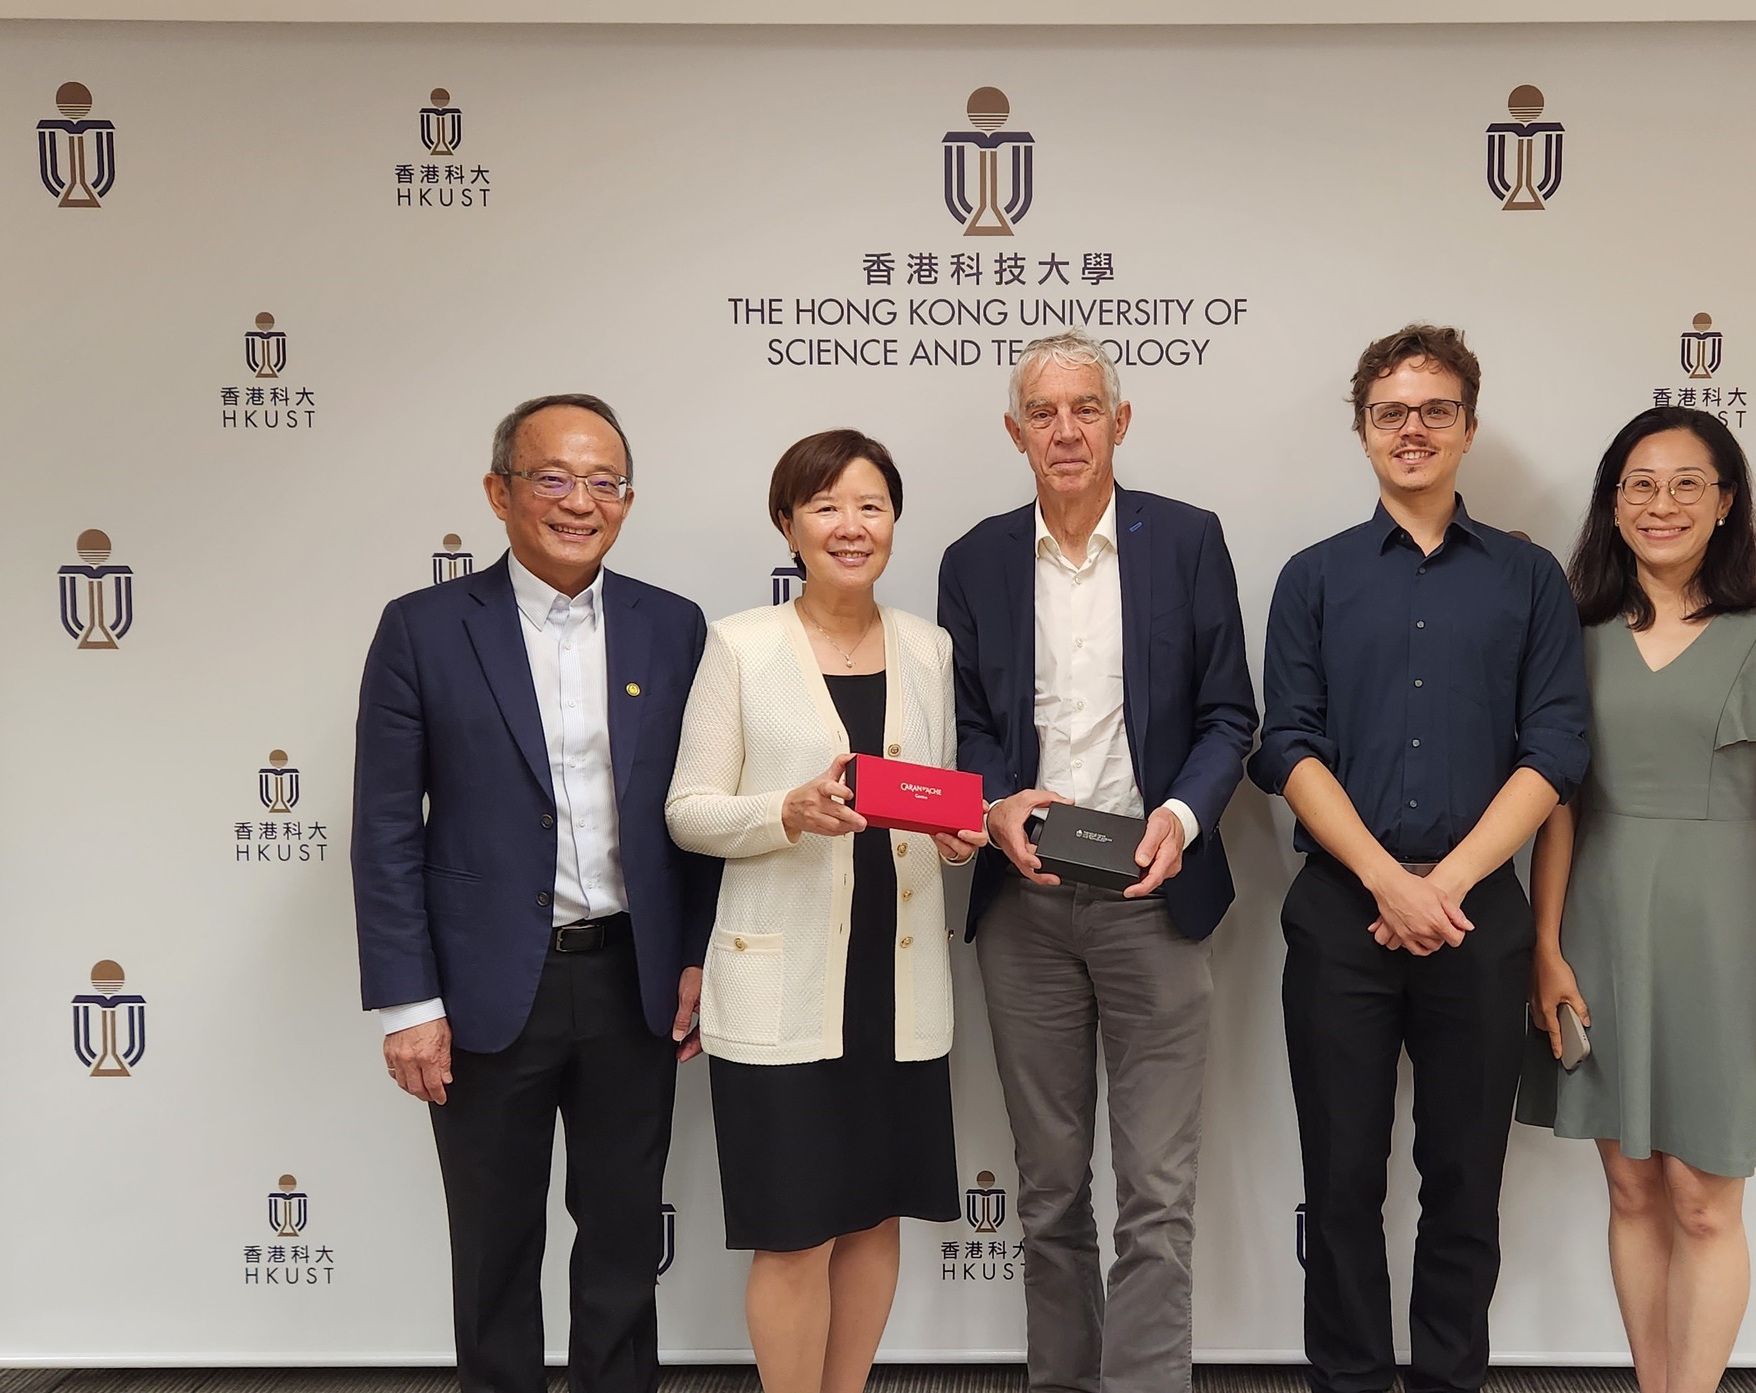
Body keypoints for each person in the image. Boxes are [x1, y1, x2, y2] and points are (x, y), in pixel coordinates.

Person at [352, 394, 720, 1393]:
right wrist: (408, 1002)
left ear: (627, 501)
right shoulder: (423, 630)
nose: (578, 501)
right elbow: (384, 827)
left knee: (619, 1247)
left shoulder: (671, 626)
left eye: (603, 482)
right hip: (478, 998)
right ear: (499, 493)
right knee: (493, 1246)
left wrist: (692, 954)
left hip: (629, 985)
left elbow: (695, 814)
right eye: (552, 477)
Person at [1250, 325, 1590, 1393]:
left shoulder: (1529, 577)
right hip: (1339, 915)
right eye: (1390, 411)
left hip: (1476, 918)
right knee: (1340, 1179)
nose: (1412, 429)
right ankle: (1346, 1378)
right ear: (1362, 429)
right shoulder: (1312, 577)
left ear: (1467, 427)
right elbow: (1284, 745)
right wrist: (1386, 881)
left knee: (1463, 1178)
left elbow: (1555, 751)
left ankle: (1448, 1378)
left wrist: (1441, 885)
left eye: (1433, 409)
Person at [937, 329, 1258, 1393]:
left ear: (1119, 422)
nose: (1065, 430)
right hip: (1024, 907)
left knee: (1156, 1191)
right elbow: (969, 727)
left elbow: (1227, 715)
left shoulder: (1186, 541)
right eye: (1043, 412)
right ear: (1014, 431)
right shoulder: (974, 559)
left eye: (1085, 408)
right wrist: (993, 806)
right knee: (1045, 1188)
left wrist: (1179, 813)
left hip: (1150, 893)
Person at [1517, 406, 1756, 1393]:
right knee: (1627, 1187)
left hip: (1722, 939)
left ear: (1724, 502)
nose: (1659, 504)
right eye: (1637, 484)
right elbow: (1556, 808)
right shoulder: (1569, 635)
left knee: (1704, 1200)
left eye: (1684, 483)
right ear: (1610, 505)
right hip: (1598, 929)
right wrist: (1544, 947)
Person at [665, 429, 986, 1393]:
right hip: (782, 984)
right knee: (794, 1231)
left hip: (897, 982)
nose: (852, 526)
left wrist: (953, 834)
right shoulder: (740, 644)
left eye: (871, 506)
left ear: (895, 520)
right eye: (827, 507)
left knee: (874, 1215)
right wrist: (783, 812)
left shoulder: (930, 648)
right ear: (788, 524)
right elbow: (688, 810)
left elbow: (928, 797)